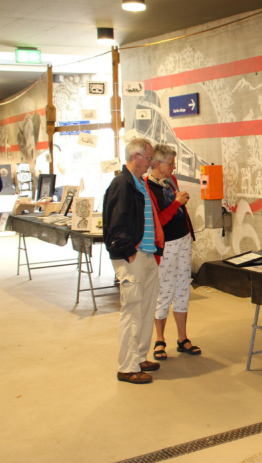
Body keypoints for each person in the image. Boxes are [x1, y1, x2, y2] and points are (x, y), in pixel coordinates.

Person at [103, 138, 165, 384]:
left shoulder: (139, 183)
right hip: (133, 255)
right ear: (135, 156)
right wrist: (129, 250)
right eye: (148, 158)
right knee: (132, 310)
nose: (151, 164)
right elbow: (116, 223)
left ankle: (140, 356)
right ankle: (127, 367)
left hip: (147, 254)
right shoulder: (122, 184)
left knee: (146, 308)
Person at [144, 144, 199, 360]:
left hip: (183, 239)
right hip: (166, 244)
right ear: (157, 164)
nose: (174, 167)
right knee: (164, 290)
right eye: (170, 163)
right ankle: (159, 339)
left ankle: (183, 338)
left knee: (182, 288)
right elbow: (159, 220)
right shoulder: (147, 187)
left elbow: (178, 210)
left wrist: (180, 201)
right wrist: (176, 204)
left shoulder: (171, 181)